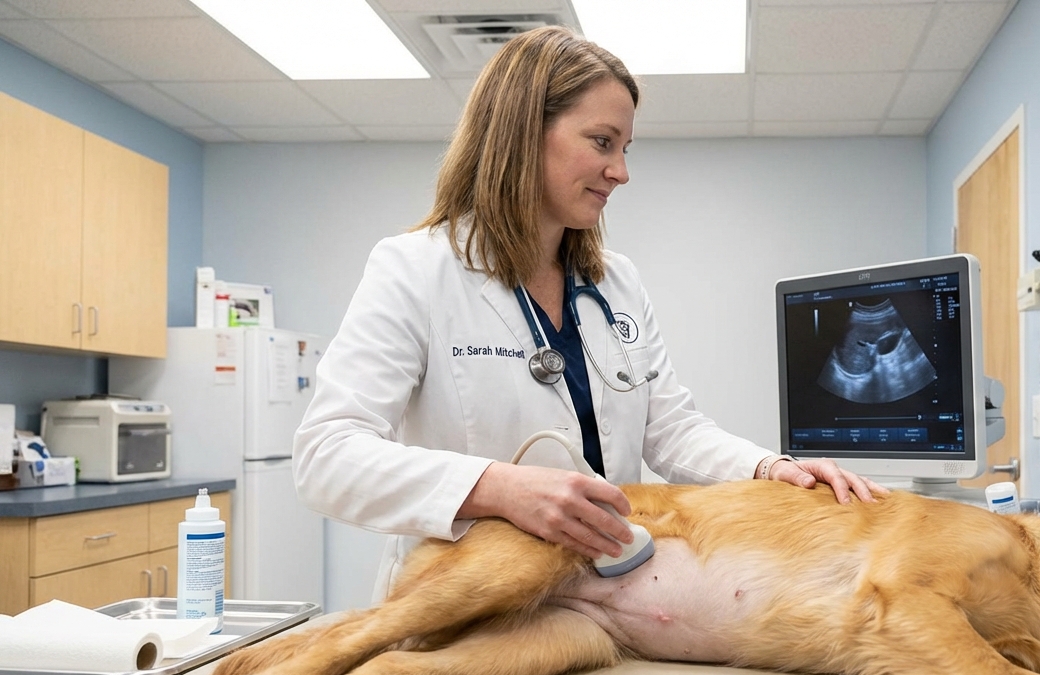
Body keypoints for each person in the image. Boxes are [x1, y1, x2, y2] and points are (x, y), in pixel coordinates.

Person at [293, 26, 886, 601]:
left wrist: (766, 467)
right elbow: (328, 455)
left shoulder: (616, 282)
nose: (620, 171)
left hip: (611, 596)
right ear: (523, 134)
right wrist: (496, 488)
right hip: (471, 595)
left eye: (625, 149)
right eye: (602, 142)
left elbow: (669, 428)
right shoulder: (417, 269)